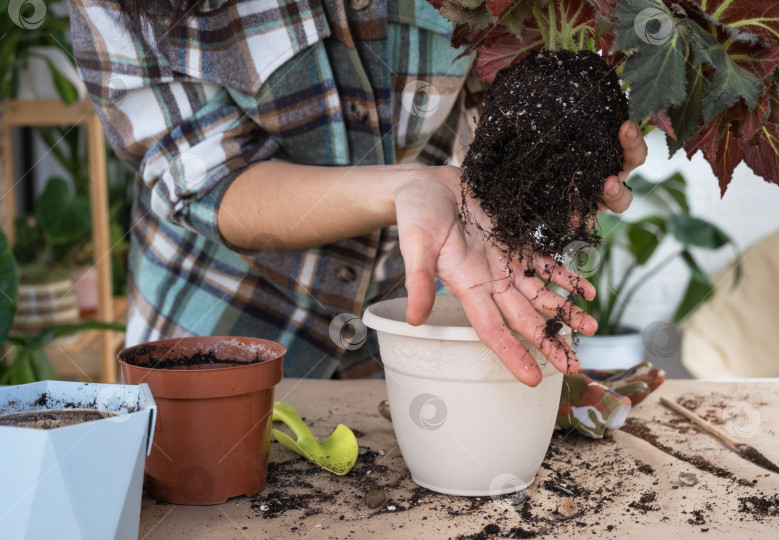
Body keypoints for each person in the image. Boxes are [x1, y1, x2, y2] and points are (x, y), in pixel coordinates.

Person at [67, 0, 646, 385]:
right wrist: (412, 188)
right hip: (220, 327)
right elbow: (205, 179)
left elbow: (500, 82)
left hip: (409, 318)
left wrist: (560, 155)